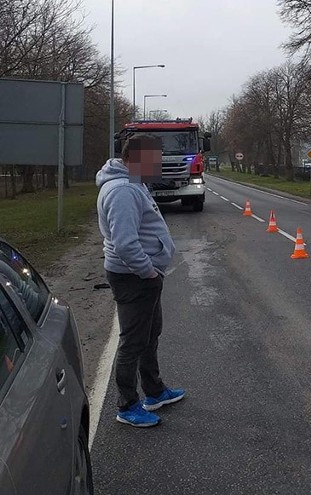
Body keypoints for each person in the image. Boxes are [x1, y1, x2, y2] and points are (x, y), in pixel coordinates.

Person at [96, 134, 184, 428]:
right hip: (134, 277)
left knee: (149, 334)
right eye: (155, 158)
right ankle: (128, 405)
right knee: (133, 342)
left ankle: (155, 392)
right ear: (136, 159)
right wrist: (147, 270)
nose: (159, 164)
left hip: (142, 276)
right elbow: (124, 243)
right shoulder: (123, 190)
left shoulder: (135, 183)